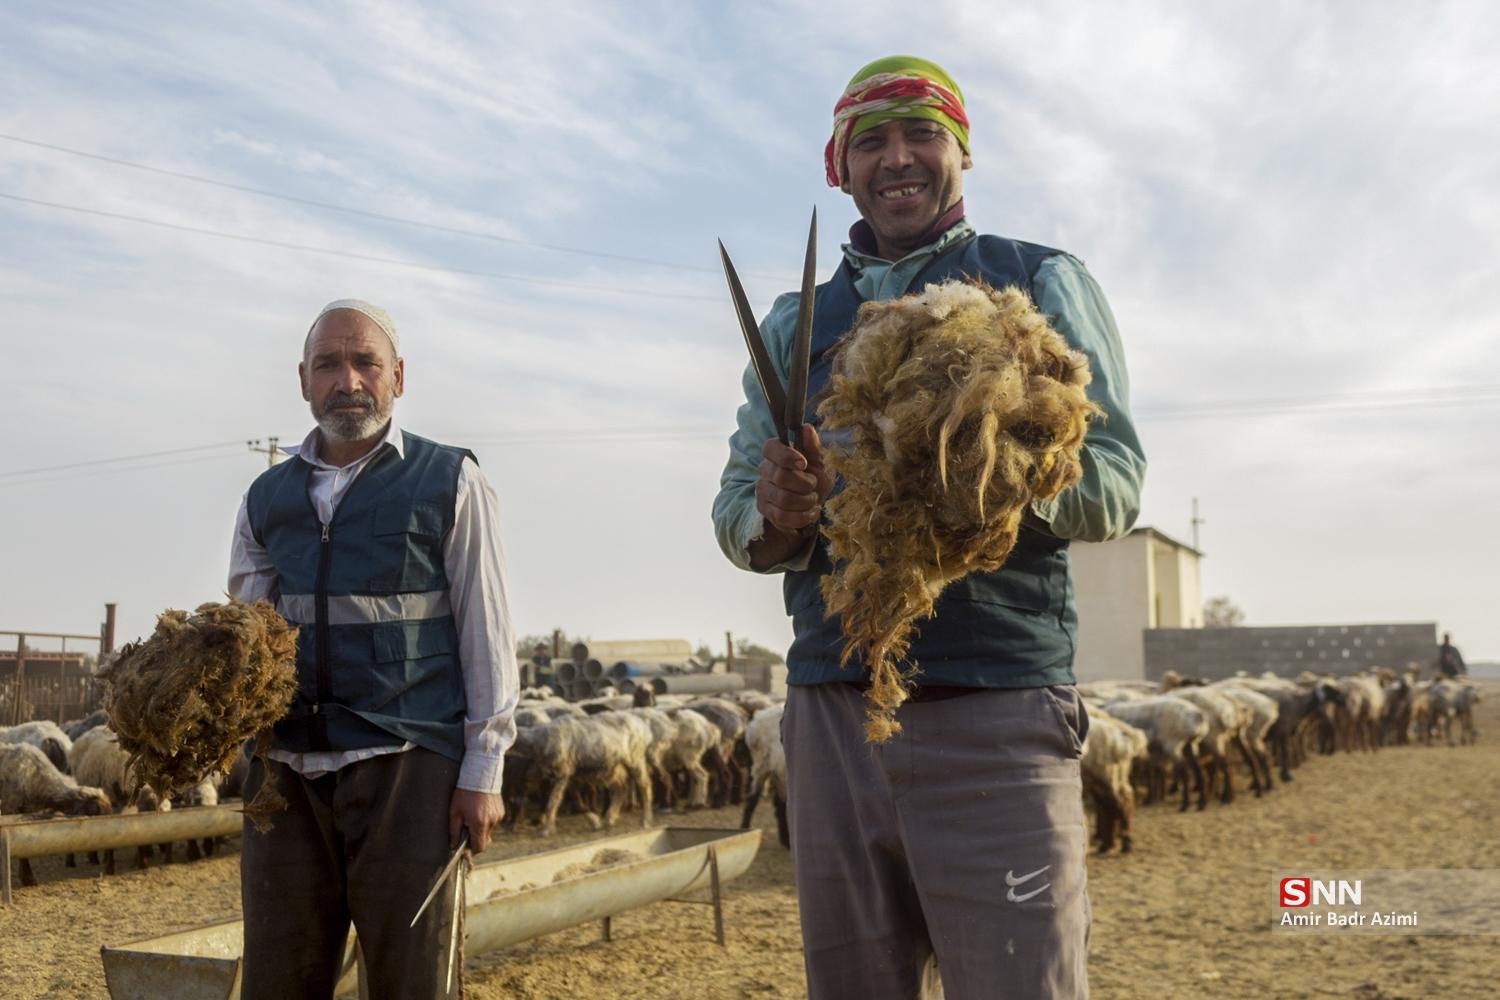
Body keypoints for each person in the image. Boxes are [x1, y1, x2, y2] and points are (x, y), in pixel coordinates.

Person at [711, 56, 1146, 999]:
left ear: (961, 154)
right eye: (871, 141)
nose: (897, 158)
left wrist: (993, 470)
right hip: (832, 722)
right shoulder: (796, 323)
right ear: (840, 167)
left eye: (922, 135)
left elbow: (1115, 483)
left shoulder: (1039, 282)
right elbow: (736, 511)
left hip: (995, 711)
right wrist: (776, 514)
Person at [229, 299, 518, 999]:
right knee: (279, 978)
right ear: (303, 380)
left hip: (408, 765)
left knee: (411, 981)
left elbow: (487, 626)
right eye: (329, 364)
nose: (347, 380)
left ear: (398, 377)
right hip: (287, 777)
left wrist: (484, 769)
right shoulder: (267, 498)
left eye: (365, 362)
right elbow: (243, 641)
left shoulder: (449, 480)